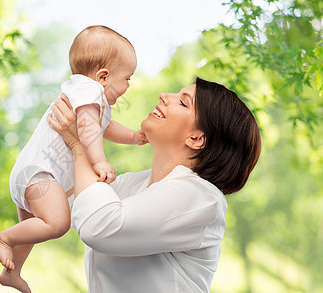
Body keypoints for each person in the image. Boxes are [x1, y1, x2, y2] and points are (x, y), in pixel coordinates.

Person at [47, 77, 261, 292]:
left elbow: (99, 226)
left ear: (196, 139)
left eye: (183, 102)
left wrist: (79, 142)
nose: (164, 96)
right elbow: (59, 207)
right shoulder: (136, 183)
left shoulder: (201, 196)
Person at [0, 25, 148, 293]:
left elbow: (103, 127)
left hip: (31, 173)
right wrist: (98, 161)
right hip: (40, 174)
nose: (128, 86)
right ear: (103, 76)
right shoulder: (89, 91)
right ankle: (3, 238)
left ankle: (12, 272)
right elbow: (88, 128)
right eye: (127, 78)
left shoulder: (87, 96)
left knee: (31, 229)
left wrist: (133, 136)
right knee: (58, 223)